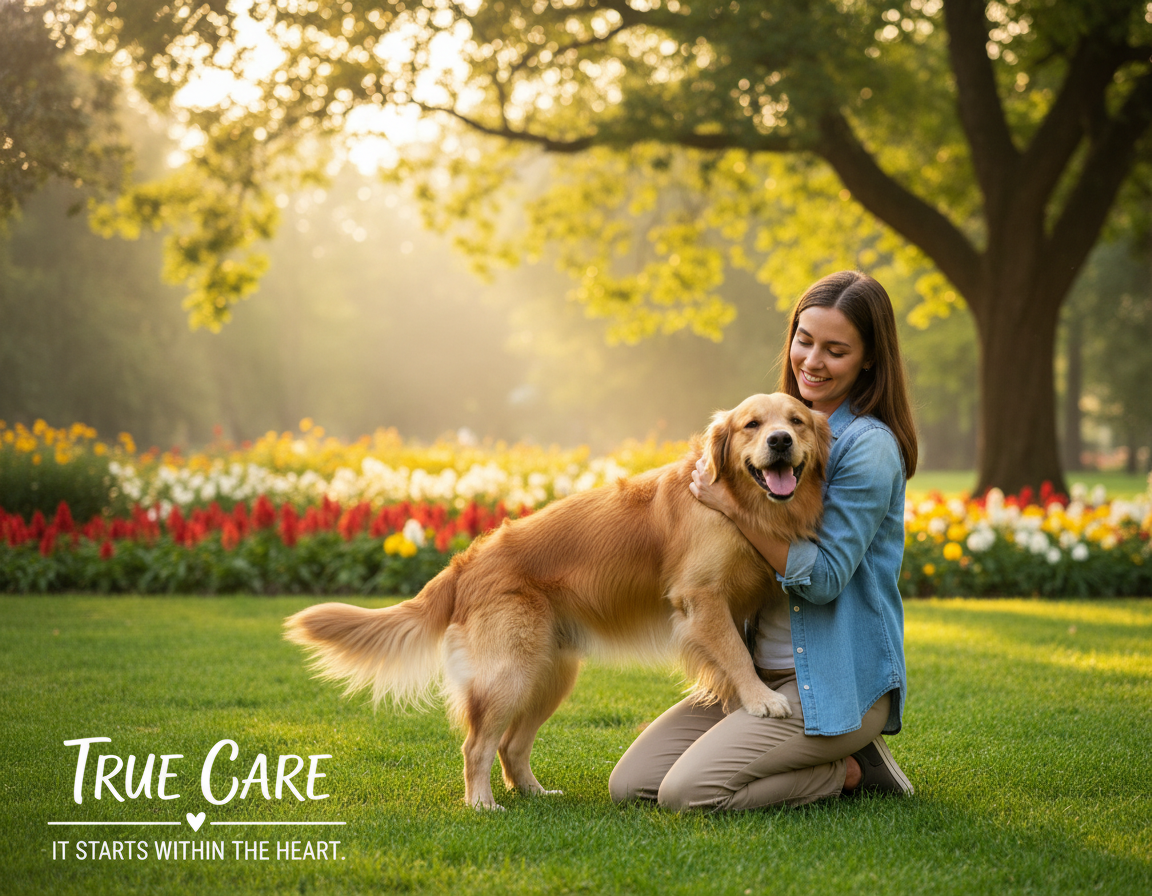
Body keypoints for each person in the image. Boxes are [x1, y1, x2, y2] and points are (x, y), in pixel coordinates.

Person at [609, 270, 918, 811]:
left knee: (686, 794)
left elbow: (823, 580)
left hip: (832, 684)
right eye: (805, 340)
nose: (812, 361)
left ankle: (845, 770)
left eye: (836, 350)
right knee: (631, 785)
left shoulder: (866, 448)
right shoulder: (773, 425)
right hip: (754, 674)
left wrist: (731, 507)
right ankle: (813, 753)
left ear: (869, 358)